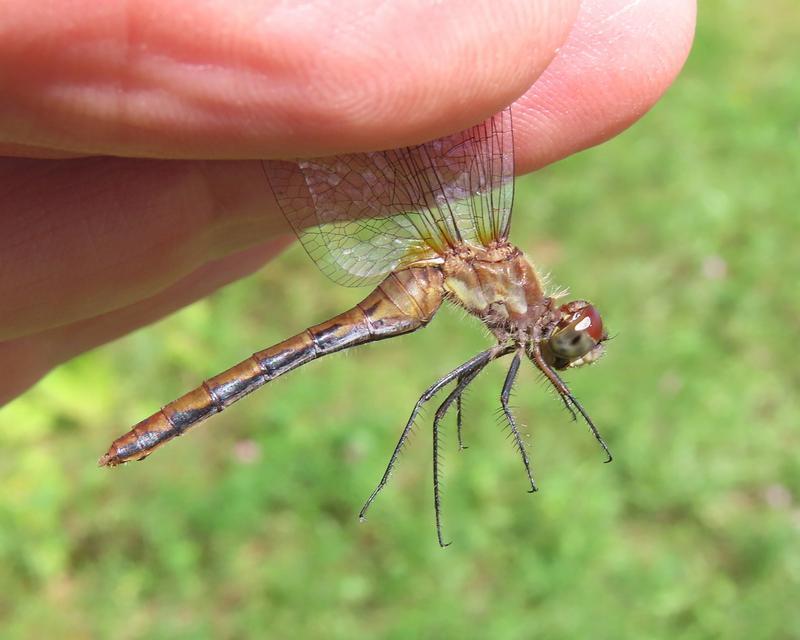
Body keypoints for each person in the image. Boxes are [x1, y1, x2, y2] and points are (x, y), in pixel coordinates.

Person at [0, 0, 696, 403]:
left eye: (568, 343)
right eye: (569, 341)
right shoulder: (506, 290)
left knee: (443, 400)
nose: (564, 343)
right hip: (432, 265)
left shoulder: (516, 313)